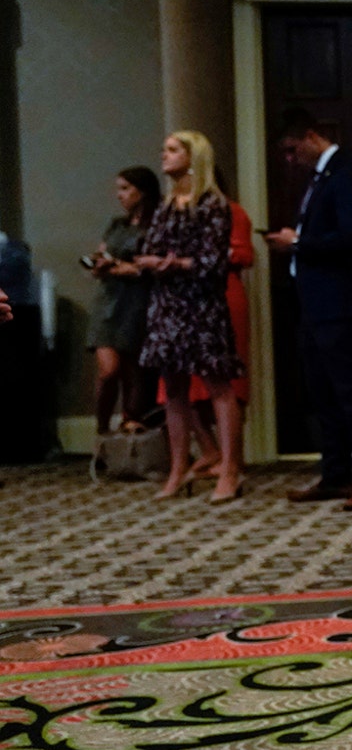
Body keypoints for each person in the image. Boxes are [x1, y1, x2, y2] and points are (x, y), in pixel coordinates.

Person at [266, 107, 352, 511]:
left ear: (312, 137)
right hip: (313, 300)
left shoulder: (347, 170)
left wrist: (297, 242)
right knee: (322, 391)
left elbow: (350, 235)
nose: (289, 159)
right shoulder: (320, 178)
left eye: (291, 149)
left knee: (351, 390)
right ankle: (336, 474)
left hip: (339, 299)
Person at [138, 131, 247, 503]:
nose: (163, 155)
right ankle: (178, 468)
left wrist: (177, 263)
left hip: (201, 304)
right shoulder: (166, 206)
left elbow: (216, 261)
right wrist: (153, 262)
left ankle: (230, 470)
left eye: (172, 150)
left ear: (192, 156)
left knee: (218, 385)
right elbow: (149, 249)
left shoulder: (213, 204)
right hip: (167, 305)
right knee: (174, 392)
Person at [85, 167, 160, 440]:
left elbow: (146, 268)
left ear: (143, 191)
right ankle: (101, 432)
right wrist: (100, 264)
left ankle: (131, 425)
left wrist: (118, 266)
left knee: (133, 371)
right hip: (108, 302)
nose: (120, 195)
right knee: (109, 371)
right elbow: (103, 254)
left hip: (137, 302)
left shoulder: (155, 226)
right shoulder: (118, 224)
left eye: (126, 189)